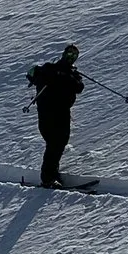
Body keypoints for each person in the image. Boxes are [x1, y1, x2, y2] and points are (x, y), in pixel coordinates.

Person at [27, 44, 85, 187]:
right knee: (54, 143)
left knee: (61, 142)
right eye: (69, 54)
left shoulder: (72, 74)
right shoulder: (50, 68)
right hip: (47, 112)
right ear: (63, 54)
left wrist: (66, 76)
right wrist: (54, 75)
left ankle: (52, 172)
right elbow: (34, 75)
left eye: (74, 55)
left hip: (63, 112)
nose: (71, 57)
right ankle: (48, 178)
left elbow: (79, 87)